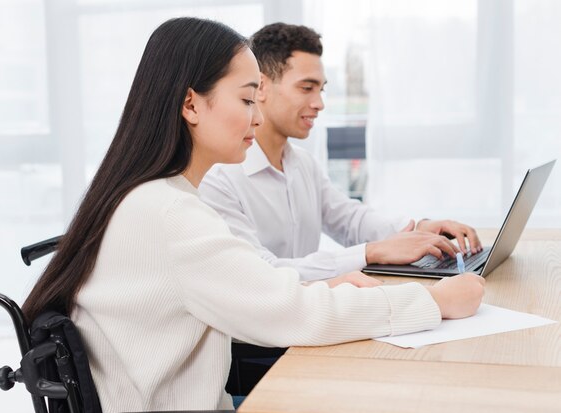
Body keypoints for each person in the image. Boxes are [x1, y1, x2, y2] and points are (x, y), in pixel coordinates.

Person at [22, 17, 485, 413]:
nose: (257, 119)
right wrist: (434, 302)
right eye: (246, 100)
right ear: (190, 104)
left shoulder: (151, 196)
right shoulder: (170, 214)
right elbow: (291, 311)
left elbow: (266, 291)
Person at [199, 23, 483, 282]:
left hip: (308, 314)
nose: (319, 103)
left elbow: (350, 219)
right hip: (265, 333)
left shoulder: (302, 164)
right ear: (260, 87)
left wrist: (421, 227)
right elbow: (262, 273)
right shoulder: (218, 178)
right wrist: (370, 253)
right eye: (306, 88)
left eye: (321, 90)